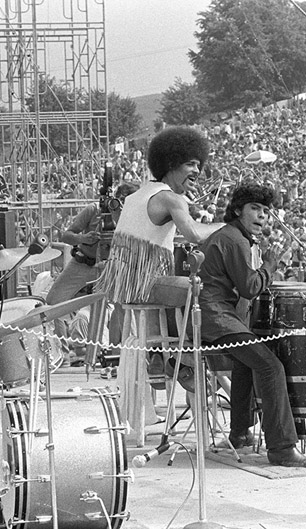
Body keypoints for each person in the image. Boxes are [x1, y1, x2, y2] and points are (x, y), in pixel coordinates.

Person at [94, 126, 221, 436]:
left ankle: (163, 355)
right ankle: (185, 359)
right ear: (171, 162)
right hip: (146, 285)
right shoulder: (171, 198)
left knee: (182, 286)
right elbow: (194, 235)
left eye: (198, 164)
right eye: (190, 164)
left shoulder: (138, 194)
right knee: (200, 289)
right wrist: (227, 226)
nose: (197, 171)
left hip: (127, 287)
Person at [199, 182, 306, 468]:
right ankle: (282, 448)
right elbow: (251, 287)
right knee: (271, 366)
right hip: (218, 319)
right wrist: (271, 265)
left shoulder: (232, 237)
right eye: (255, 208)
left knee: (246, 363)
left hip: (216, 318)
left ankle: (239, 433)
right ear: (238, 209)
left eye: (265, 211)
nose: (262, 216)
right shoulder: (234, 240)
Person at [45, 181, 139, 365]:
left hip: (112, 266)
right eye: (120, 203)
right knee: (52, 304)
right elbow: (65, 235)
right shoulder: (94, 209)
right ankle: (61, 355)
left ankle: (116, 354)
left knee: (122, 308)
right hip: (82, 263)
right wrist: (83, 238)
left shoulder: (134, 216)